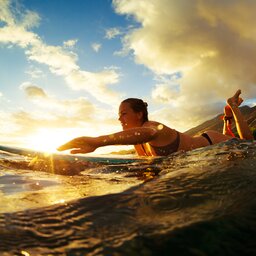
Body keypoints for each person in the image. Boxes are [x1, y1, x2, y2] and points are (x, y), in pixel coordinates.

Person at [57, 89, 253, 156]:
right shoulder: (137, 144)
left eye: (124, 113)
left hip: (210, 141)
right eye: (119, 115)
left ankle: (233, 107)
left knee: (248, 145)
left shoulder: (151, 127)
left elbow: (147, 134)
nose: (120, 119)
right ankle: (227, 118)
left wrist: (97, 142)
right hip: (203, 154)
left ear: (140, 114)